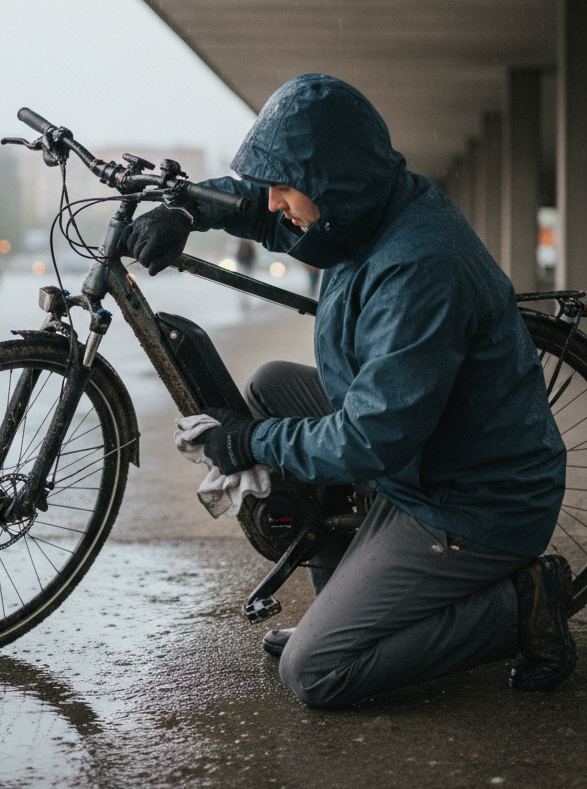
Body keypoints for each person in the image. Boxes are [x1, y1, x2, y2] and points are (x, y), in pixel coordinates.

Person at [124, 73, 573, 708]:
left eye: (285, 185)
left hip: (470, 500)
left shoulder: (418, 266)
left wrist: (253, 441)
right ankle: (347, 599)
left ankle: (521, 605)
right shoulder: (357, 209)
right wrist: (189, 210)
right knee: (273, 385)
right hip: (427, 452)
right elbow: (258, 205)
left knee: (316, 671)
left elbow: (372, 438)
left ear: (330, 180)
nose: (274, 202)